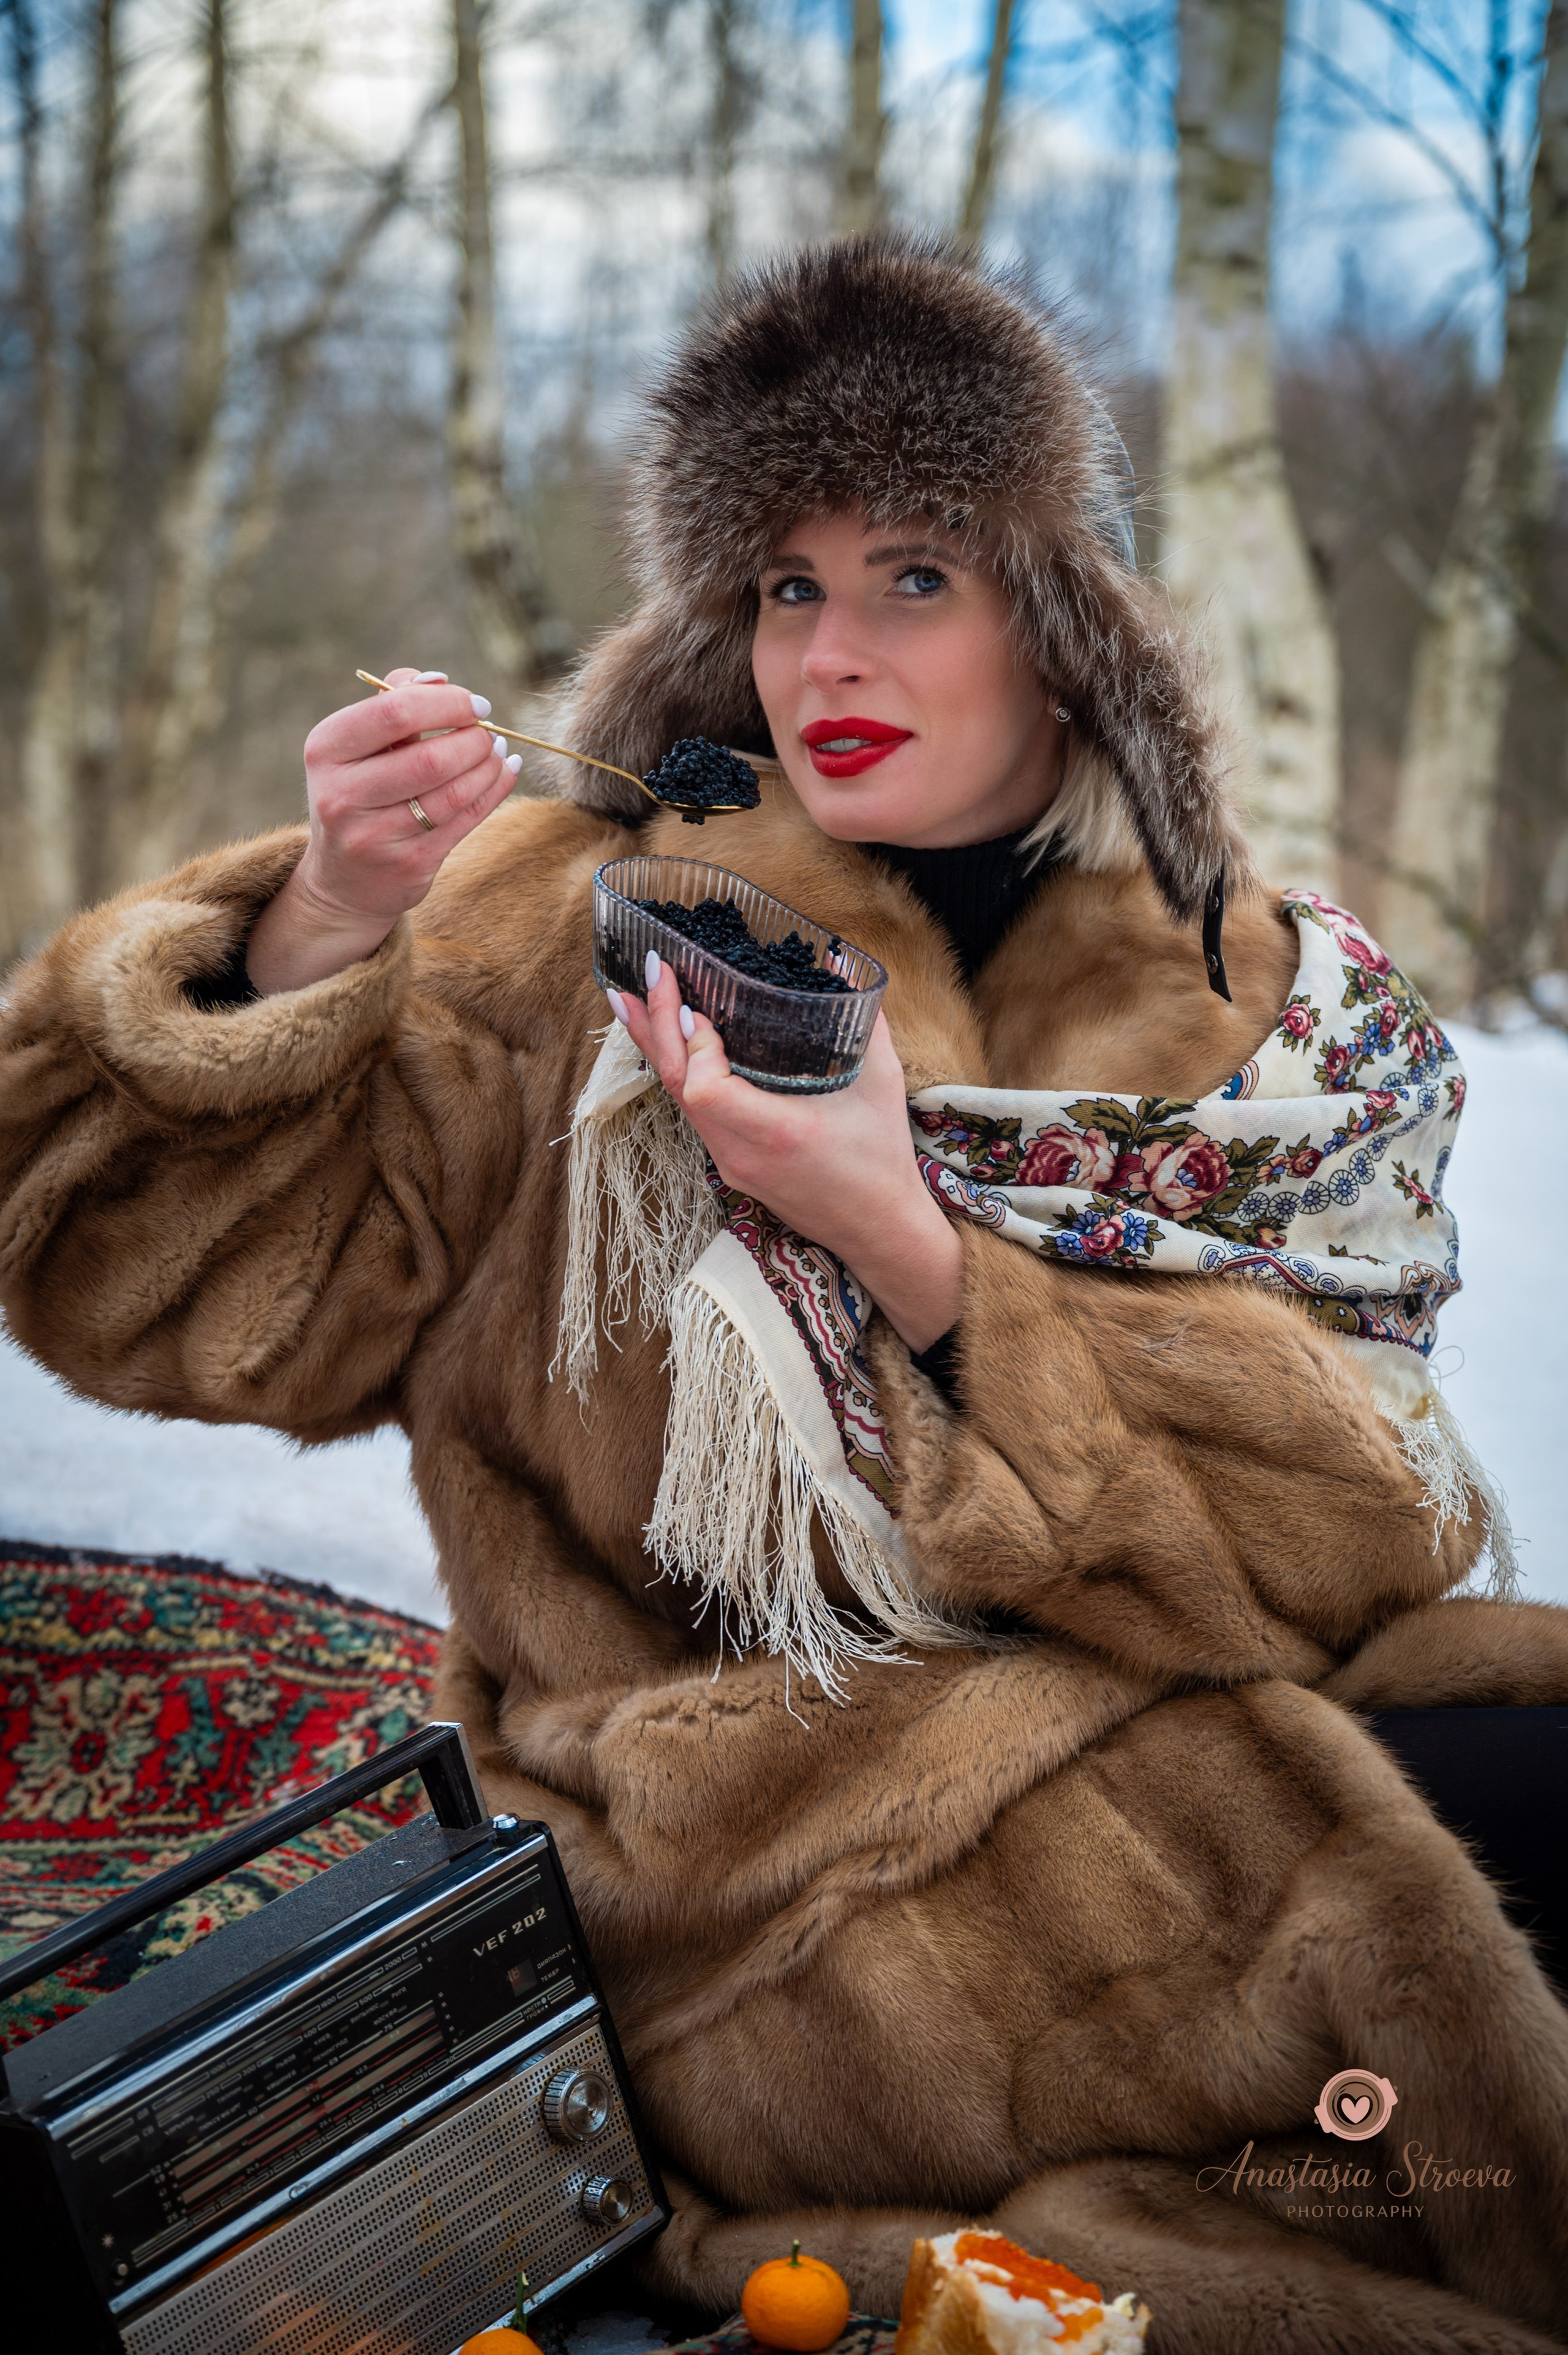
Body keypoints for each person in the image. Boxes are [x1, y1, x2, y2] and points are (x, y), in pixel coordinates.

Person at [4, 235, 1568, 2353]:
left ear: (1057, 605)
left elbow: (1338, 1536)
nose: (833, 646)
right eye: (784, 584)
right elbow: (127, 1287)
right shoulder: (564, 944)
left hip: (1201, 1714)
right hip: (786, 1877)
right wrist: (314, 930)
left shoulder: (1247, 995)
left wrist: (902, 1242)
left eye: (914, 573)